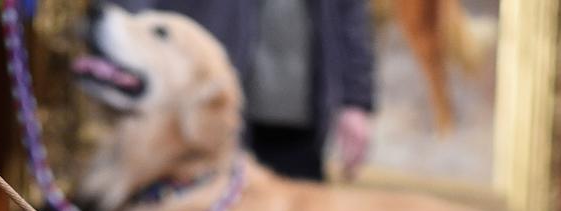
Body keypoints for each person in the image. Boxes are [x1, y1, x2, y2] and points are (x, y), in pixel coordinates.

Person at [116, 0, 375, 181]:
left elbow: (349, 13)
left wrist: (355, 100)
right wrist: (126, 49)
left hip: (294, 116)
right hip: (197, 113)